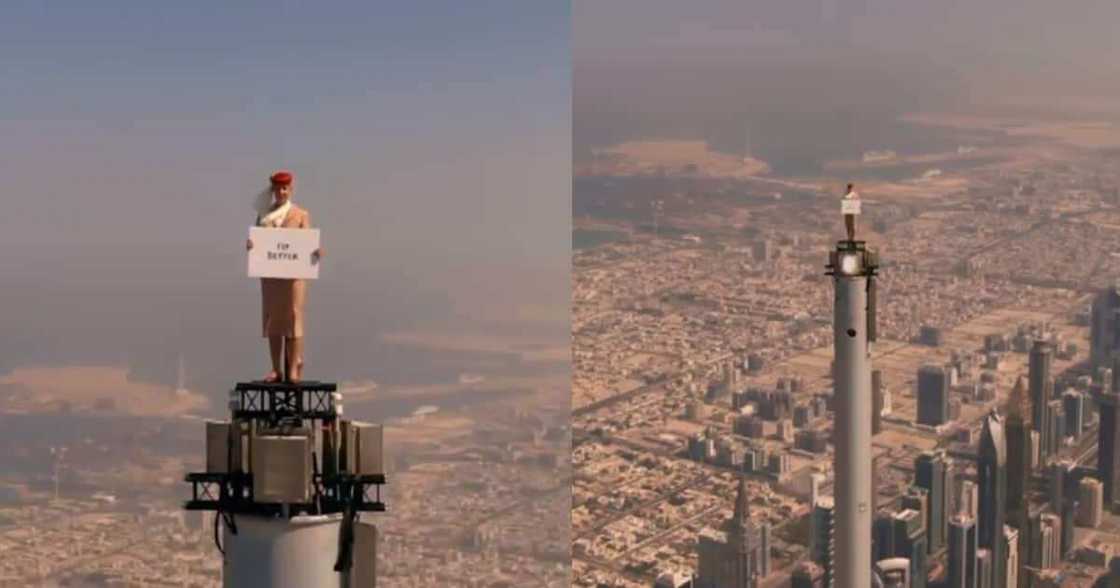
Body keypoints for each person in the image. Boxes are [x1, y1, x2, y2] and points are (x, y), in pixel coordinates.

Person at [246, 170, 322, 382]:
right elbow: (257, 240)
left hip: (294, 277)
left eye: (285, 188)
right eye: (278, 188)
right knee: (274, 321)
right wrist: (252, 245)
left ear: (290, 189)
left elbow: (309, 242)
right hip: (271, 276)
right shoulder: (264, 215)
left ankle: (294, 366)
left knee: (294, 317)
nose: (281, 192)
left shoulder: (300, 214)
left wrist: (316, 251)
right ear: (273, 190)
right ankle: (275, 368)